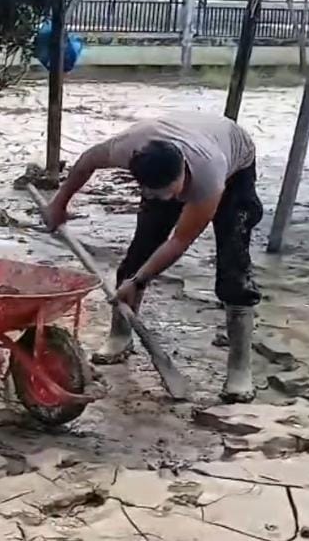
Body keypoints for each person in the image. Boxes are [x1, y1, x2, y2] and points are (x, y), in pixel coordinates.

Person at [42, 112, 260, 404]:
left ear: (182, 173)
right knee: (138, 255)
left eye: (170, 193)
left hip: (234, 164)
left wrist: (141, 279)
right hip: (180, 148)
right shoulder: (129, 147)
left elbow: (180, 240)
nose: (165, 199)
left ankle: (239, 369)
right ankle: (120, 336)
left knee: (234, 269)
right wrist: (59, 203)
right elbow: (85, 162)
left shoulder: (209, 175)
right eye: (151, 192)